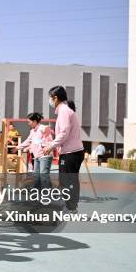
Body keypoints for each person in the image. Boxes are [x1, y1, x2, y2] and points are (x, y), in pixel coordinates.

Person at [42, 86, 84, 214]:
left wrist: (51, 145)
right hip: (73, 151)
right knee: (70, 179)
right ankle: (71, 206)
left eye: (50, 98)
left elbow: (64, 132)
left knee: (67, 180)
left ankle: (71, 207)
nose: (49, 100)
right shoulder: (64, 111)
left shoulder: (64, 111)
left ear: (55, 97)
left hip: (71, 152)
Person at [17, 113, 54, 190]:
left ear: (34, 121)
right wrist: (18, 147)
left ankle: (46, 194)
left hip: (45, 156)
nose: (28, 123)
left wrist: (47, 146)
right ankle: (38, 192)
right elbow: (28, 141)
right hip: (37, 156)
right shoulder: (32, 131)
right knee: (36, 175)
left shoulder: (42, 128)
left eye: (29, 122)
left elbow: (50, 139)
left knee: (43, 175)